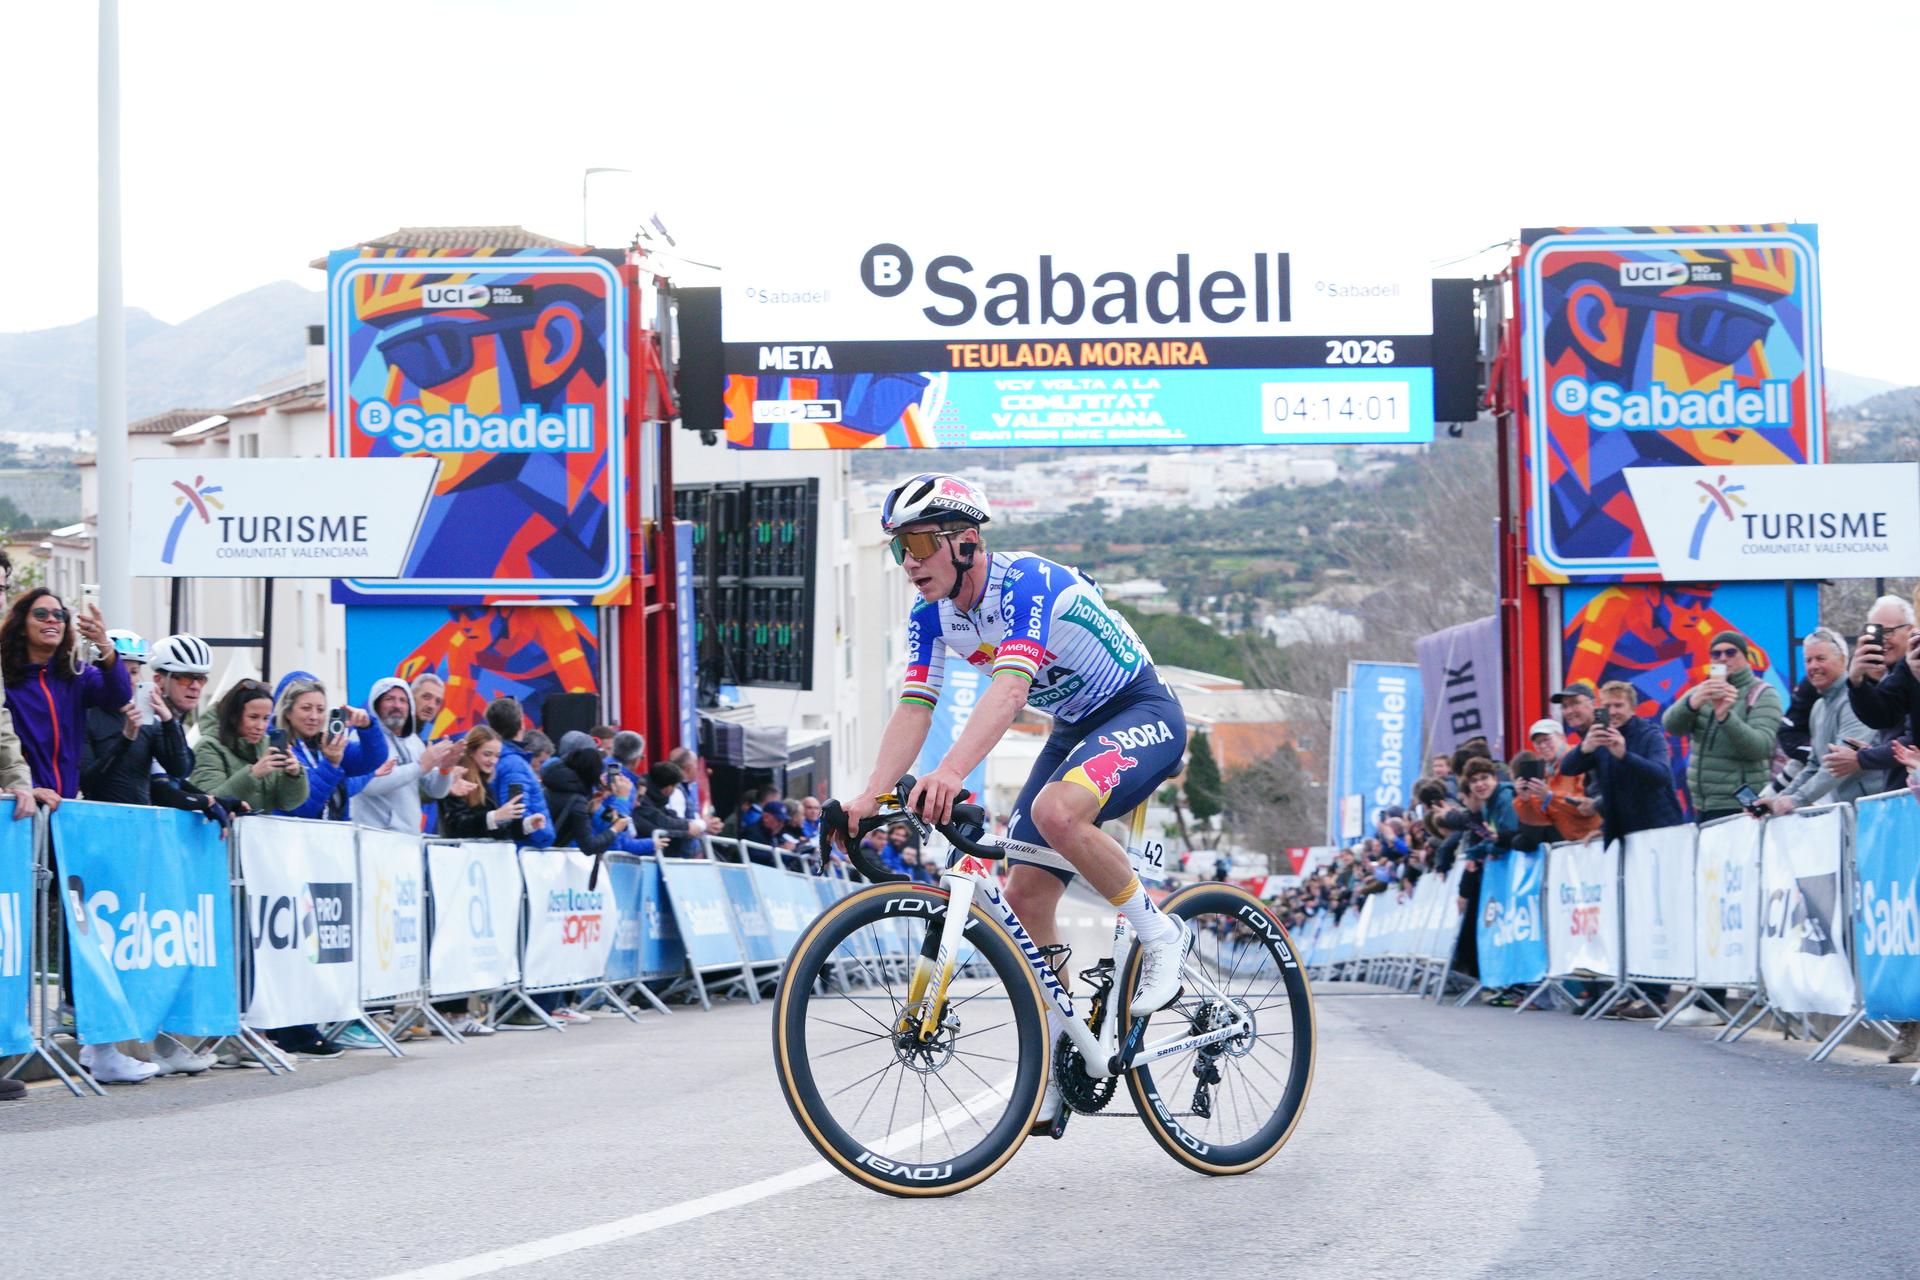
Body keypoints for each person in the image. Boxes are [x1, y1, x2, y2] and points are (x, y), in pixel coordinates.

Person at [836, 474, 1190, 1138]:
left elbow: (1008, 689)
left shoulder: (1025, 585)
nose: (909, 562)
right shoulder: (929, 617)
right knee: (1026, 898)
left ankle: (1163, 935)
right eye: (898, 549)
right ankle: (1066, 1058)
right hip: (1073, 729)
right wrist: (869, 795)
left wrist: (947, 771)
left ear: (967, 542)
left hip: (1141, 709)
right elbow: (915, 705)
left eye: (918, 542)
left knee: (1058, 813)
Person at [0, 588, 132, 801]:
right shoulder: (5, 678)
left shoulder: (76, 674)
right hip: (21, 803)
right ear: (22, 626)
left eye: (59, 615)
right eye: (41, 614)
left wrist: (103, 643)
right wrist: (28, 788)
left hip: (64, 807)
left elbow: (120, 695)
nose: (51, 620)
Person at [1661, 630, 1784, 822]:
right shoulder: (1702, 691)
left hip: (1741, 806)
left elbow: (1760, 748)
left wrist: (1726, 717)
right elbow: (1671, 726)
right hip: (1703, 804)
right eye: (1716, 654)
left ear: (1746, 657)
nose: (1723, 658)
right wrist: (1691, 704)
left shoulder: (1763, 694)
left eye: (1731, 652)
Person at [1764, 630, 1886, 814]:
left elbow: (1839, 765)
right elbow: (1813, 765)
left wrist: (1797, 799)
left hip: (1876, 811)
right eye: (1808, 660)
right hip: (1847, 814)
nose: (1813, 666)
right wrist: (1780, 799)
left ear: (1843, 660)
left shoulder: (1856, 701)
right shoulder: (1818, 707)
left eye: (1821, 658)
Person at [1559, 681, 1682, 844]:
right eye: (1607, 706)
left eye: (1618, 705)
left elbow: (1661, 776)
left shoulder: (1650, 734)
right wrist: (1584, 748)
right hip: (1625, 835)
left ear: (1632, 708)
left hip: (1660, 830)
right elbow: (1567, 769)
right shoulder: (1600, 738)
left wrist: (1624, 756)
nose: (1612, 712)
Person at [269, 672, 391, 821]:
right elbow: (302, 806)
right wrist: (331, 764)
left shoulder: (325, 743)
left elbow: (374, 759)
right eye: (306, 708)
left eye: (320, 710)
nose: (314, 716)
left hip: (332, 839)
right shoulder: (276, 749)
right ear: (287, 711)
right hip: (294, 840)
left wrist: (367, 727)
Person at [353, 677, 459, 834]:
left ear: (410, 706)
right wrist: (420, 766)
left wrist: (445, 769)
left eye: (403, 700)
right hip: (373, 837)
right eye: (390, 699)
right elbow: (368, 785)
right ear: (376, 704)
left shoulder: (414, 742)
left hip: (409, 839)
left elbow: (436, 791)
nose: (397, 705)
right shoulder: (361, 737)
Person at [192, 680, 309, 817]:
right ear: (234, 716)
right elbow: (209, 801)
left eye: (266, 718)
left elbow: (287, 804)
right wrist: (254, 774)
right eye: (253, 717)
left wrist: (294, 775)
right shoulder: (208, 746)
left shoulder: (267, 745)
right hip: (218, 835)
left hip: (256, 835)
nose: (260, 726)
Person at [1844, 595, 1919, 794]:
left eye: (1888, 631)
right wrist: (1856, 681)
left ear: (1910, 629)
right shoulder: (1904, 669)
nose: (1882, 640)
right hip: (1905, 792)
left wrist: (1864, 759)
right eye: (1876, 632)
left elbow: (1911, 741)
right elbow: (1881, 716)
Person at [1513, 719, 1601, 844]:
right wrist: (1525, 800)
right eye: (1537, 743)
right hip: (1574, 845)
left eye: (1546, 739)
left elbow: (1587, 807)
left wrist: (1550, 797)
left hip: (1596, 840)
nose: (1542, 746)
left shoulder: (1582, 761)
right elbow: (1540, 820)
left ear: (1561, 737)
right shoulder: (1544, 774)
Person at [484, 697, 553, 847]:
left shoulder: (502, 760)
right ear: (521, 723)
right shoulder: (514, 764)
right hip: (523, 849)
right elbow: (517, 812)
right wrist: (543, 835)